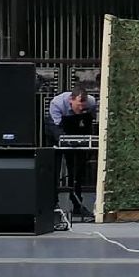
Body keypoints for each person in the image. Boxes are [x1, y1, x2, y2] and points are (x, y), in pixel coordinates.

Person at [46, 87, 99, 219]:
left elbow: (90, 119)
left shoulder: (91, 102)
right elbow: (56, 128)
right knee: (54, 168)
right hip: (58, 129)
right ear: (71, 100)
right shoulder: (57, 104)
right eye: (78, 105)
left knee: (77, 170)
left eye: (83, 106)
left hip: (77, 129)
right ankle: (53, 205)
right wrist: (66, 141)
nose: (80, 108)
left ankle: (77, 203)